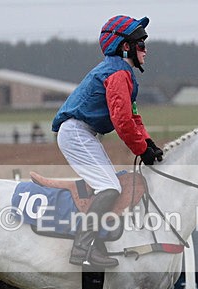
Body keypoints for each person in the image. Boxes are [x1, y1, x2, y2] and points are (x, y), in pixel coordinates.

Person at [52, 14, 164, 268]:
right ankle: (82, 248)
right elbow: (122, 121)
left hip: (84, 133)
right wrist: (142, 149)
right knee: (110, 188)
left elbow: (134, 118)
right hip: (76, 133)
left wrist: (149, 144)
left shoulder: (122, 72)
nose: (146, 50)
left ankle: (94, 243)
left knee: (110, 186)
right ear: (126, 47)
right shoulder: (116, 73)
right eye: (141, 44)